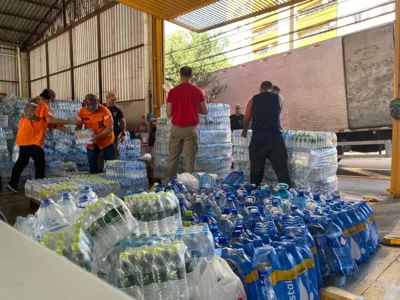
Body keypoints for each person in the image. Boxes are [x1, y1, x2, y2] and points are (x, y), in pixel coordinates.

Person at [7, 89, 79, 193]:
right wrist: (70, 121)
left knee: (21, 162)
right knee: (40, 163)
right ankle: (38, 188)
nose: (50, 103)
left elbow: (40, 121)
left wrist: (56, 126)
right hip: (33, 139)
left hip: (23, 138)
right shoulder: (42, 105)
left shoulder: (32, 103)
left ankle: (12, 184)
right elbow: (50, 119)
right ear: (49, 99)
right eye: (51, 101)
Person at [242, 81, 290, 187]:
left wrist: (244, 130)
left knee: (256, 172)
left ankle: (254, 195)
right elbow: (277, 114)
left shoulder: (253, 100)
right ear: (271, 89)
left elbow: (246, 119)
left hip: (258, 139)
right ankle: (287, 194)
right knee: (282, 171)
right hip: (275, 139)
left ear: (260, 89)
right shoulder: (279, 98)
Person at [165, 66, 208, 181]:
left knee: (173, 158)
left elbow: (169, 113)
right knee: (190, 159)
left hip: (177, 128)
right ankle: (189, 186)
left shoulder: (173, 92)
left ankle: (169, 184)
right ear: (191, 76)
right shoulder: (198, 91)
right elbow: (205, 110)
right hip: (191, 129)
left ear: (180, 76)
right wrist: (193, 108)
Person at [77, 94, 115, 174]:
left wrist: (97, 136)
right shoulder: (81, 112)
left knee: (110, 164)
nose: (92, 111)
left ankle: (111, 180)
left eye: (94, 108)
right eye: (89, 109)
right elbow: (78, 126)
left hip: (106, 140)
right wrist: (79, 136)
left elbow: (110, 128)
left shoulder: (105, 111)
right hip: (91, 142)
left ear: (97, 103)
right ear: (85, 104)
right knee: (92, 163)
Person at [105, 92, 126, 158]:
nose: (114, 101)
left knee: (115, 149)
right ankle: (102, 166)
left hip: (115, 133)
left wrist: (123, 133)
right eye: (112, 100)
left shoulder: (117, 111)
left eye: (115, 100)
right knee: (103, 151)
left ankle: (115, 164)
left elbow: (122, 122)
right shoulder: (102, 109)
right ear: (107, 99)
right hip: (104, 133)